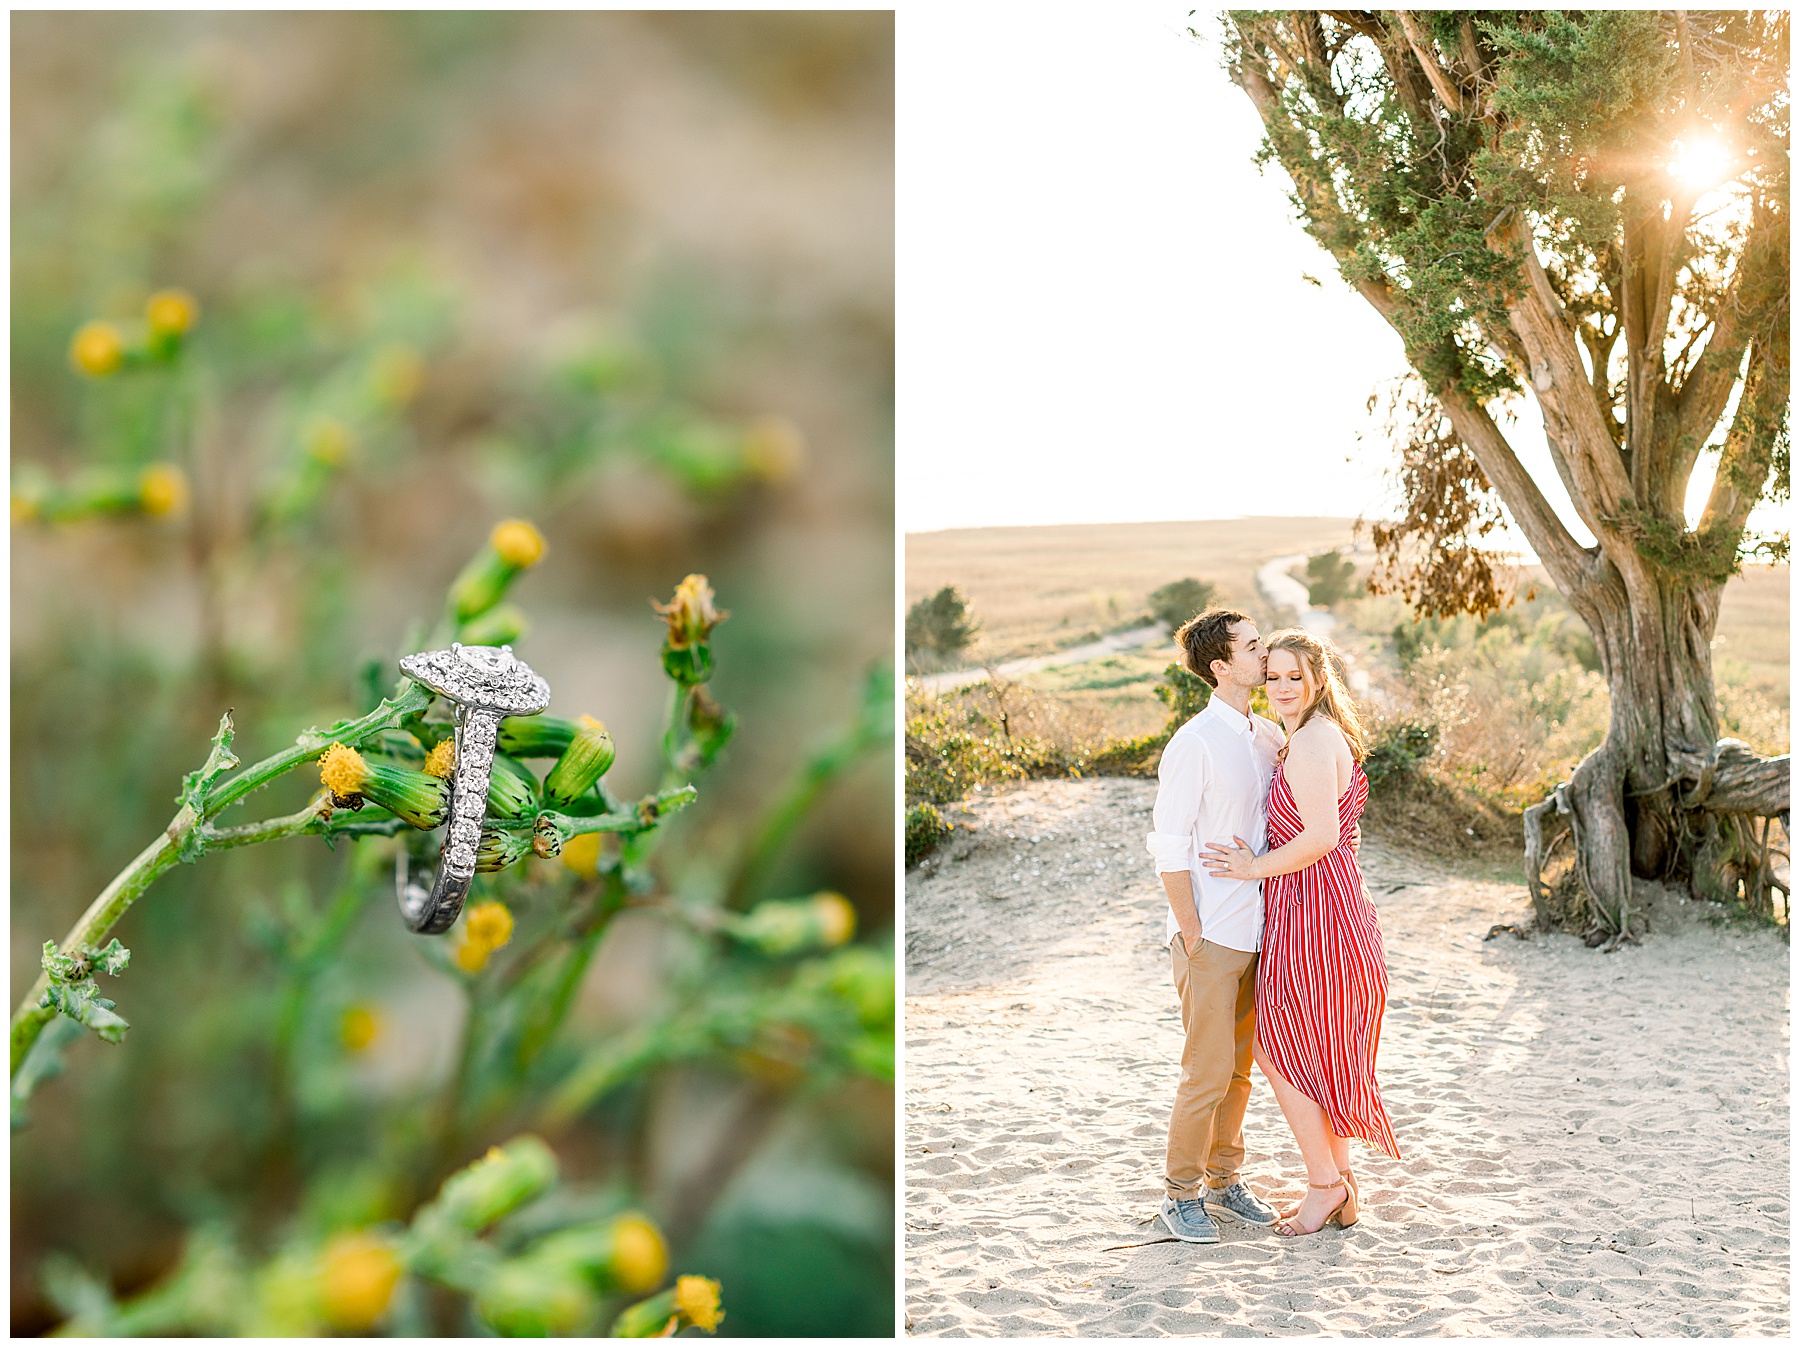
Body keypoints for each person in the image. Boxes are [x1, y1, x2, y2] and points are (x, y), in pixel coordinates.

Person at [1202, 628, 1400, 1238]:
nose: (1283, 687)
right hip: (1315, 911)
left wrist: (1249, 867)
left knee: (1277, 1047)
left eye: (1296, 677)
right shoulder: (1303, 736)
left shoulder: (1314, 741)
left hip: (1320, 917)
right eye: (1274, 677)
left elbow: (1321, 838)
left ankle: (1323, 1184)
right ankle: (1336, 1181)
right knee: (1312, 1050)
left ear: (1319, 678)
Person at [1143, 608, 1283, 1243]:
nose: (1265, 654)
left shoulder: (1268, 737)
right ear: (1222, 667)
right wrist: (1191, 930)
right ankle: (1181, 1195)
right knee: (1205, 1070)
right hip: (1211, 936)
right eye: (1253, 647)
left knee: (1240, 1069)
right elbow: (1168, 846)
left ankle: (1226, 1181)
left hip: (1262, 931)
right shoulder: (1193, 743)